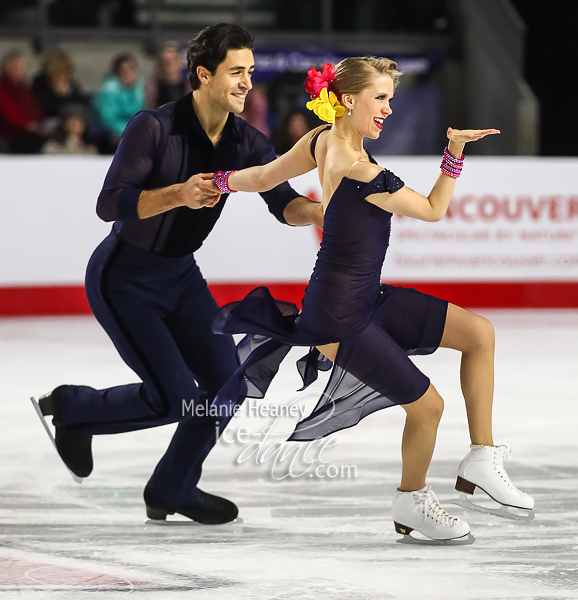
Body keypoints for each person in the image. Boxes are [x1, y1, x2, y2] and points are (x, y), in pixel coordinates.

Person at [210, 57, 534, 544]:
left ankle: (481, 457)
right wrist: (454, 152)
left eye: (390, 99)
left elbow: (263, 178)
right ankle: (412, 501)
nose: (387, 109)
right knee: (427, 407)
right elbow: (433, 210)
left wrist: (216, 183)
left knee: (478, 334)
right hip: (339, 316)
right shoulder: (364, 171)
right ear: (347, 100)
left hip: (364, 296)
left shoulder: (323, 141)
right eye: (380, 98)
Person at [32, 24, 322, 524]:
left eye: (250, 72)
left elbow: (285, 204)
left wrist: (325, 212)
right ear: (203, 75)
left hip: (181, 278)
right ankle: (73, 409)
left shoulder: (247, 141)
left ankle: (172, 486)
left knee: (227, 385)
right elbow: (109, 204)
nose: (246, 83)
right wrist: (178, 193)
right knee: (176, 399)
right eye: (236, 72)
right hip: (124, 278)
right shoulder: (154, 127)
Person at [93, 53, 145, 151]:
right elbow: (107, 118)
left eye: (131, 69)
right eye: (123, 70)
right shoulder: (109, 89)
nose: (127, 73)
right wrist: (128, 131)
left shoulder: (141, 89)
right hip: (113, 134)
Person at [0, 50, 46, 154]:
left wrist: (41, 124)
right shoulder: (2, 88)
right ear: (6, 68)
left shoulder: (26, 88)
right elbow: (8, 115)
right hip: (9, 135)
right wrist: (27, 125)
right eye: (15, 66)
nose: (20, 70)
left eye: (22, 66)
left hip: (29, 134)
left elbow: (35, 111)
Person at [32, 50, 85, 120]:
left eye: (66, 73)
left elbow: (79, 107)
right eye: (59, 74)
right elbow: (49, 109)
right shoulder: (40, 85)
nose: (63, 77)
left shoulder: (73, 86)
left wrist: (66, 94)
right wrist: (60, 95)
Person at [145, 43, 190, 109]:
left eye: (171, 61)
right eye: (164, 61)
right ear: (159, 64)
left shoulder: (189, 86)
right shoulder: (152, 87)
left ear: (179, 63)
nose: (167, 65)